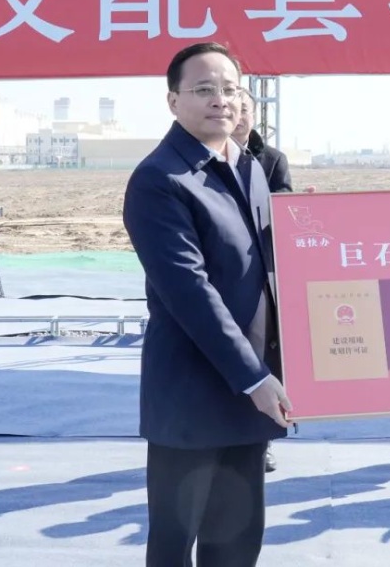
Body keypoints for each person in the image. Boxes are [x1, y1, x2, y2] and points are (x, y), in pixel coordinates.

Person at [123, 42, 291, 566]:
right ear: (173, 101)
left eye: (230, 88)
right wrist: (255, 378)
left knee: (236, 542)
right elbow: (189, 290)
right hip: (194, 399)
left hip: (250, 393)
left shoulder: (249, 167)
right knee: (175, 543)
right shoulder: (160, 180)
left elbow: (270, 269)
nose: (221, 100)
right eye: (203, 89)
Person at [233, 87, 292, 473]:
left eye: (245, 109)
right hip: (225, 271)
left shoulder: (272, 159)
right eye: (233, 108)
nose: (238, 116)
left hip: (263, 269)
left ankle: (264, 440)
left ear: (255, 115)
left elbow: (284, 203)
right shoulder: (203, 160)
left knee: (263, 355)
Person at [233, 88, 293, 194]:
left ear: (253, 117)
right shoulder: (207, 155)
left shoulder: (274, 160)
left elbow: (282, 200)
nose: (238, 117)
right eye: (232, 109)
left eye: (243, 110)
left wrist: (302, 199)